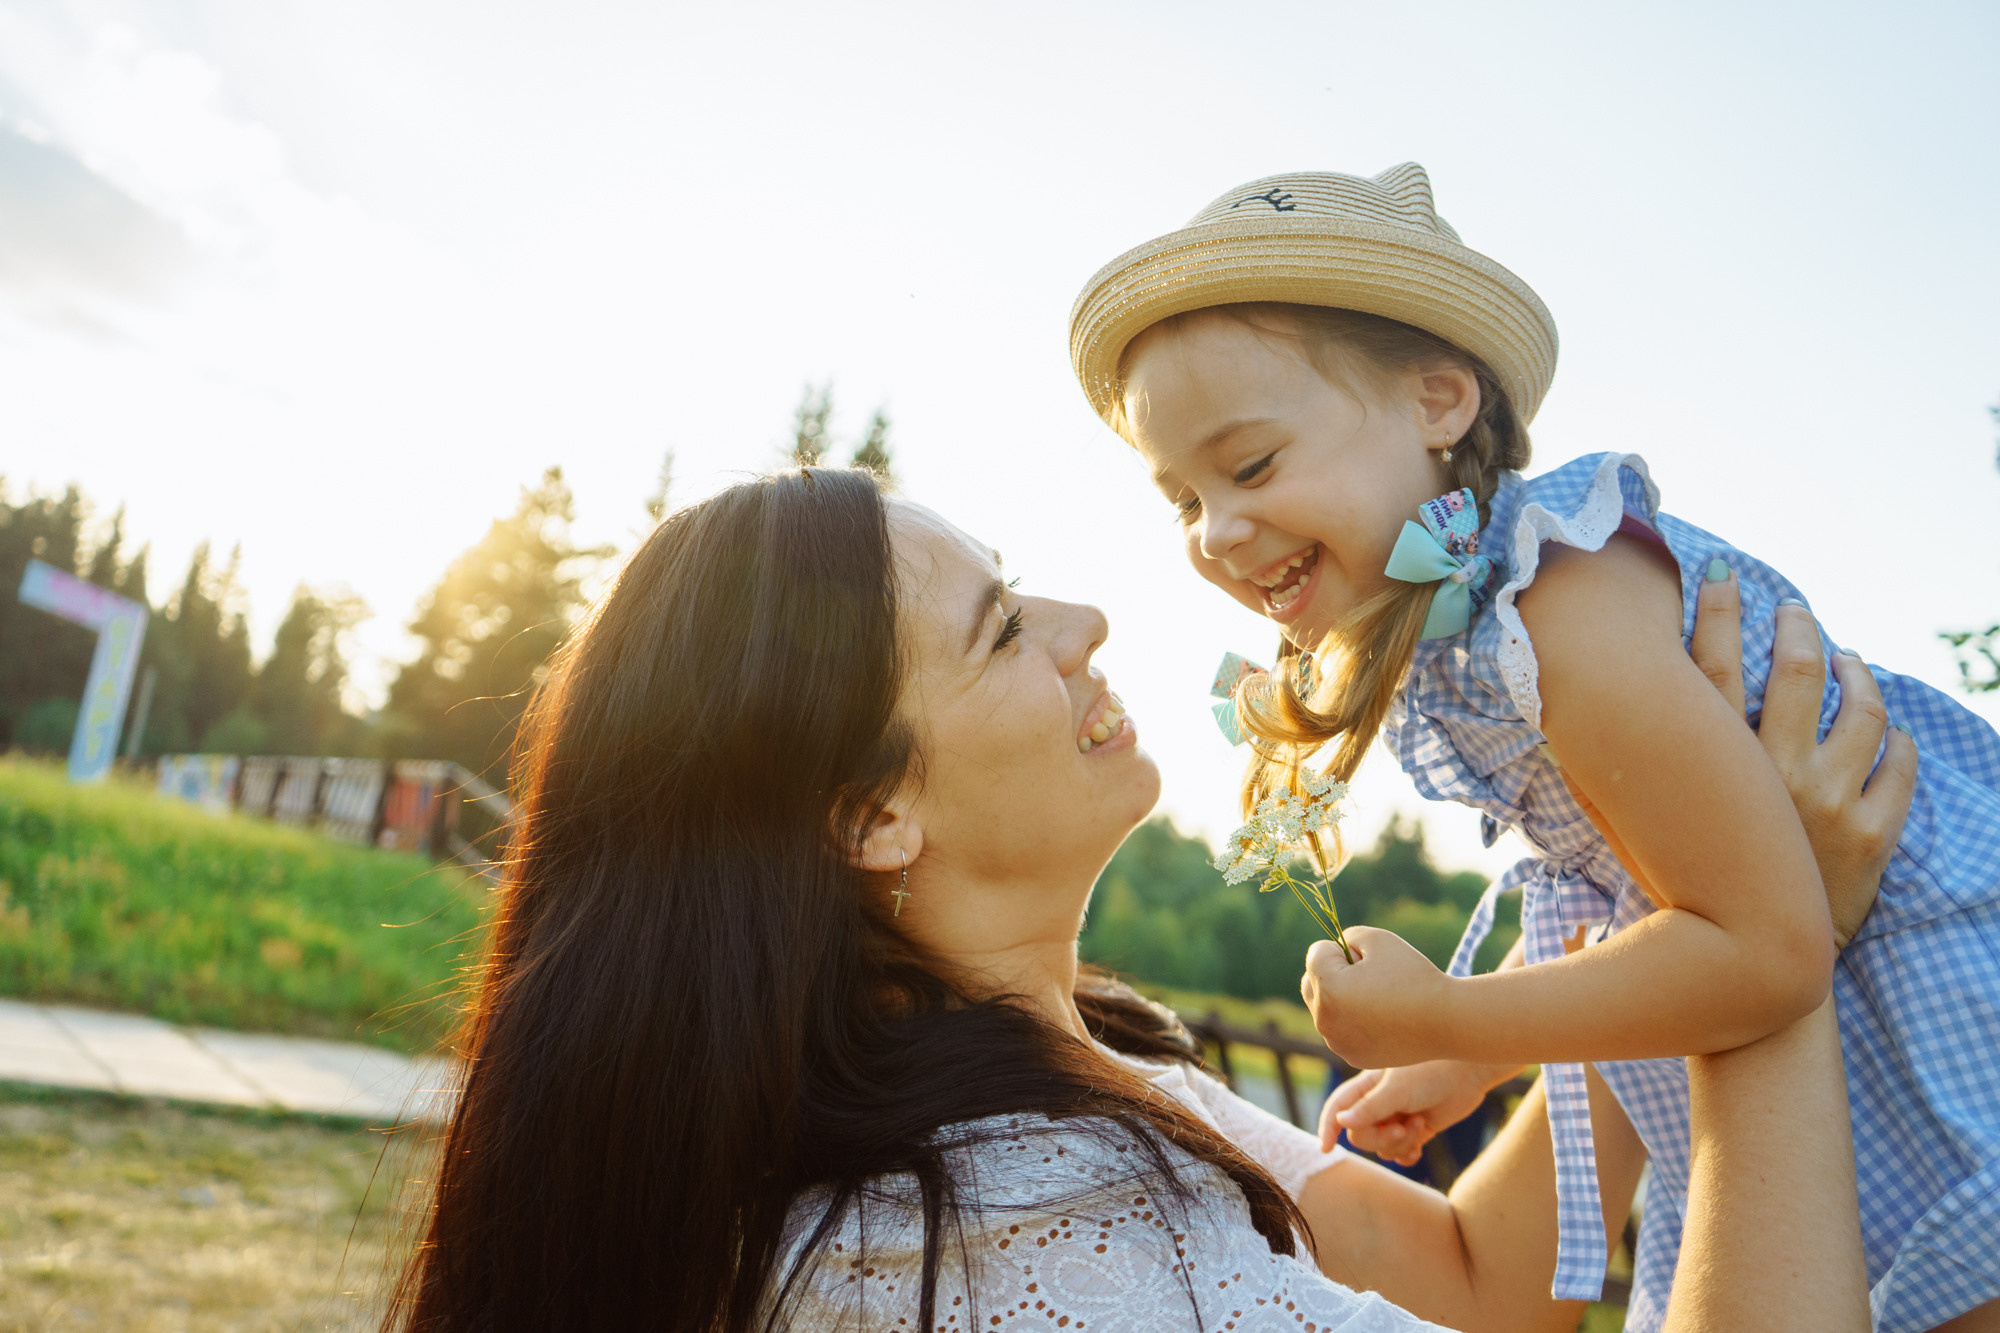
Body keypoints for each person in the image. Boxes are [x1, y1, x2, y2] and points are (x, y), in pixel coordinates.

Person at [385, 467, 1895, 1331]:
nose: (1086, 621)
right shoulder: (1009, 1226)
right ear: (870, 814)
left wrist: (1678, 925)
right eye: (999, 630)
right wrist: (1774, 947)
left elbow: (1475, 1281)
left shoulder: (1100, 1076)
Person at [1069, 163, 2000, 1330]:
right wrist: (1477, 1060)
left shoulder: (1557, 600)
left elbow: (1761, 949)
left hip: (1927, 1005)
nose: (1215, 531)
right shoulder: (1472, 630)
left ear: (1438, 401)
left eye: (1249, 465)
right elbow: (1634, 881)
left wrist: (1442, 1020)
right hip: (1826, 1014)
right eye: (1182, 499)